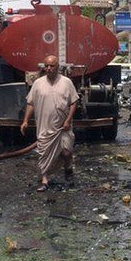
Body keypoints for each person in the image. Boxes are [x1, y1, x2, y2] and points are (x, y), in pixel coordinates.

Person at [20, 55, 78, 192]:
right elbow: (30, 103)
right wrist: (25, 120)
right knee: (44, 154)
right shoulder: (38, 83)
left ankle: (68, 170)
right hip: (44, 126)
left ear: (57, 67)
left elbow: (74, 102)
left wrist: (68, 120)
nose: (49, 68)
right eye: (46, 66)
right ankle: (44, 180)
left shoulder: (66, 82)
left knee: (66, 152)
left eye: (52, 66)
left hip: (63, 126)